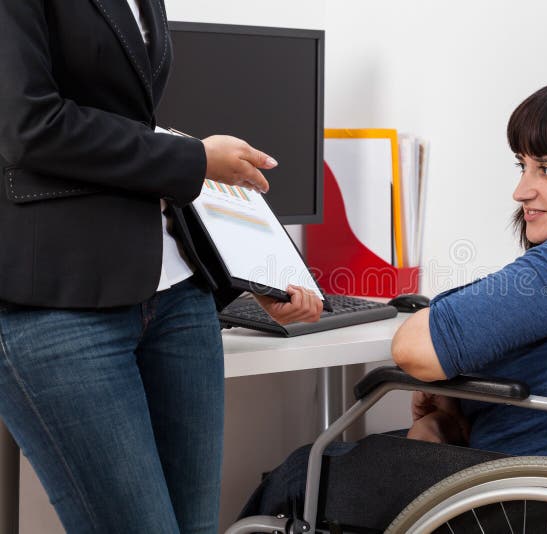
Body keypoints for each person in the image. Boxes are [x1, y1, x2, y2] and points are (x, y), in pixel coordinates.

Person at [238, 72, 547, 523]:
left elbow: (413, 349)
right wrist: (452, 412)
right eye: (521, 165)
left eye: (546, 168)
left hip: (514, 492)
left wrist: (438, 355)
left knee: (297, 475)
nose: (521, 190)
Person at [0, 1, 322, 532]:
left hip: (178, 301)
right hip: (59, 303)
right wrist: (195, 158)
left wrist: (249, 272)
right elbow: (28, 126)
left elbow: (136, 139)